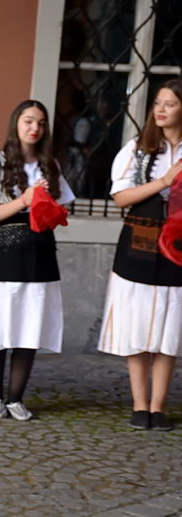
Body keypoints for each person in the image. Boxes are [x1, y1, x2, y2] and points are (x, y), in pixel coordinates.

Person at [0, 100, 75, 421]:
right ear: (17, 123)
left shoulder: (49, 166)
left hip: (39, 251)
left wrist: (47, 205)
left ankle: (16, 397)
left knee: (31, 323)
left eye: (41, 123)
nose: (35, 128)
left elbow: (63, 208)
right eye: (29, 121)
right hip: (4, 250)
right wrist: (24, 200)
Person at [98, 78, 182, 431]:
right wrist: (164, 182)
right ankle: (139, 403)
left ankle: (158, 406)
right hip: (139, 244)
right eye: (158, 103)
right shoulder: (138, 148)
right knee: (137, 323)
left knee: (169, 326)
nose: (160, 109)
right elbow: (120, 197)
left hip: (177, 247)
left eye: (170, 103)